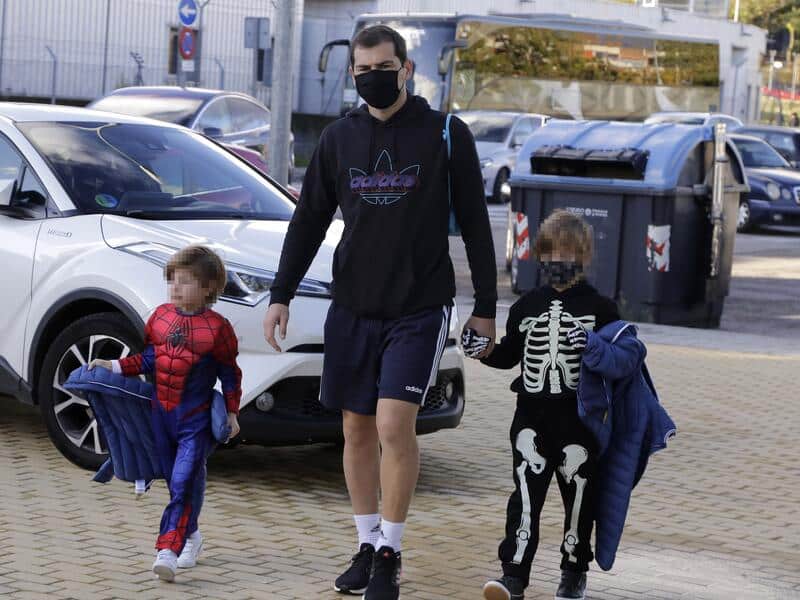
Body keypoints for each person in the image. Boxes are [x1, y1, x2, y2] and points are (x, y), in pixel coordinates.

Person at [263, 24, 497, 600]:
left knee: (395, 423)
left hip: (419, 306)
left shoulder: (446, 133)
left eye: (383, 68)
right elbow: (309, 220)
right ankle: (366, 542)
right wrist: (280, 293)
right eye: (362, 71)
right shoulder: (339, 139)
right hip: (353, 306)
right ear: (353, 74)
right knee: (355, 428)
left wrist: (486, 308)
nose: (372, 78)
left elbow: (474, 224)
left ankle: (391, 551)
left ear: (407, 69)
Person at [472, 211, 618, 600]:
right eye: (550, 252)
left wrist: (594, 346)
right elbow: (508, 355)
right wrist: (482, 351)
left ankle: (573, 572)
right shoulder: (526, 306)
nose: (558, 260)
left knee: (579, 499)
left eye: (567, 252)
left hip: (579, 421)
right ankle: (514, 575)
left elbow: (620, 361)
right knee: (524, 496)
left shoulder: (602, 309)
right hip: (531, 418)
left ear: (584, 256)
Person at [89, 245, 242, 582]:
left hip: (196, 417)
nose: (175, 287)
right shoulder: (159, 316)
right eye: (172, 279)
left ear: (207, 288)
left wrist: (232, 413)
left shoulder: (218, 328)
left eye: (185, 281)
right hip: (162, 416)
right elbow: (149, 360)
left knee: (184, 479)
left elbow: (230, 373)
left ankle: (167, 549)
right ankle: (191, 535)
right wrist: (112, 365)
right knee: (179, 484)